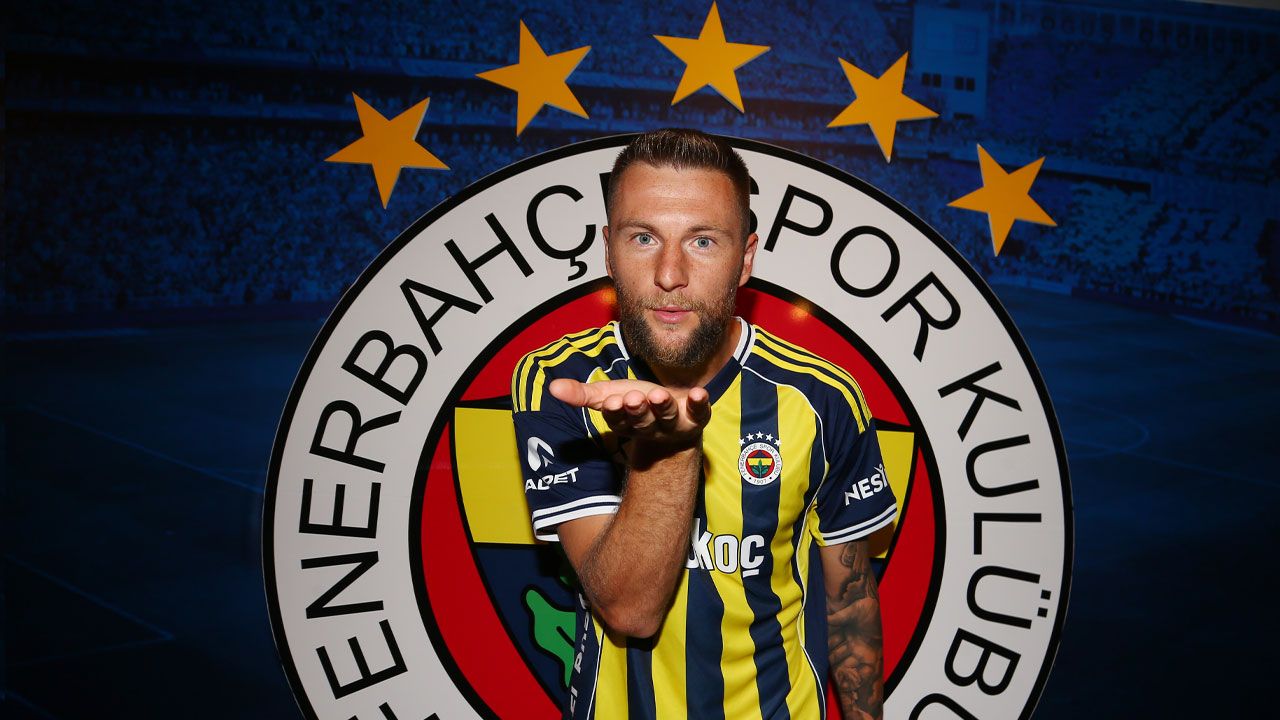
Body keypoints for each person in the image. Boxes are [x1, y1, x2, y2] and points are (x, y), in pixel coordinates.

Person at [511, 128, 896, 720]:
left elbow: (850, 603)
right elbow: (629, 609)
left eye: (703, 241)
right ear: (608, 250)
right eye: (644, 237)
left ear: (746, 259)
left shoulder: (822, 398)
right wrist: (668, 452)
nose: (670, 274)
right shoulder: (560, 380)